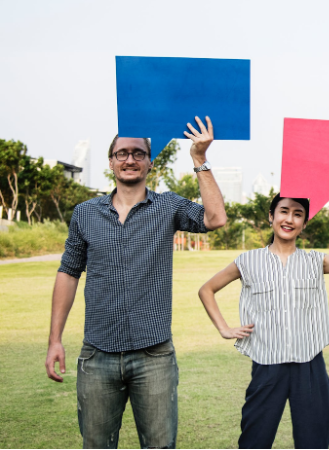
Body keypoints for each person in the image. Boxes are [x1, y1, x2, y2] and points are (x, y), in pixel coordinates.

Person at [45, 117, 227, 449]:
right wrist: (55, 339)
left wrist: (199, 158)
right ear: (111, 161)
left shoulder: (168, 206)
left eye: (138, 153)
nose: (130, 159)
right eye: (122, 153)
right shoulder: (85, 214)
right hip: (97, 354)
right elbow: (68, 273)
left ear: (150, 162)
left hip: (153, 355)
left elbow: (216, 218)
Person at [197, 189, 329, 449]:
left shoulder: (315, 261)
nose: (289, 219)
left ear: (304, 223)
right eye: (284, 211)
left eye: (298, 214)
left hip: (310, 367)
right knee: (254, 440)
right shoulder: (248, 261)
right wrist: (224, 328)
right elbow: (206, 289)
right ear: (271, 216)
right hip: (267, 366)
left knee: (314, 442)